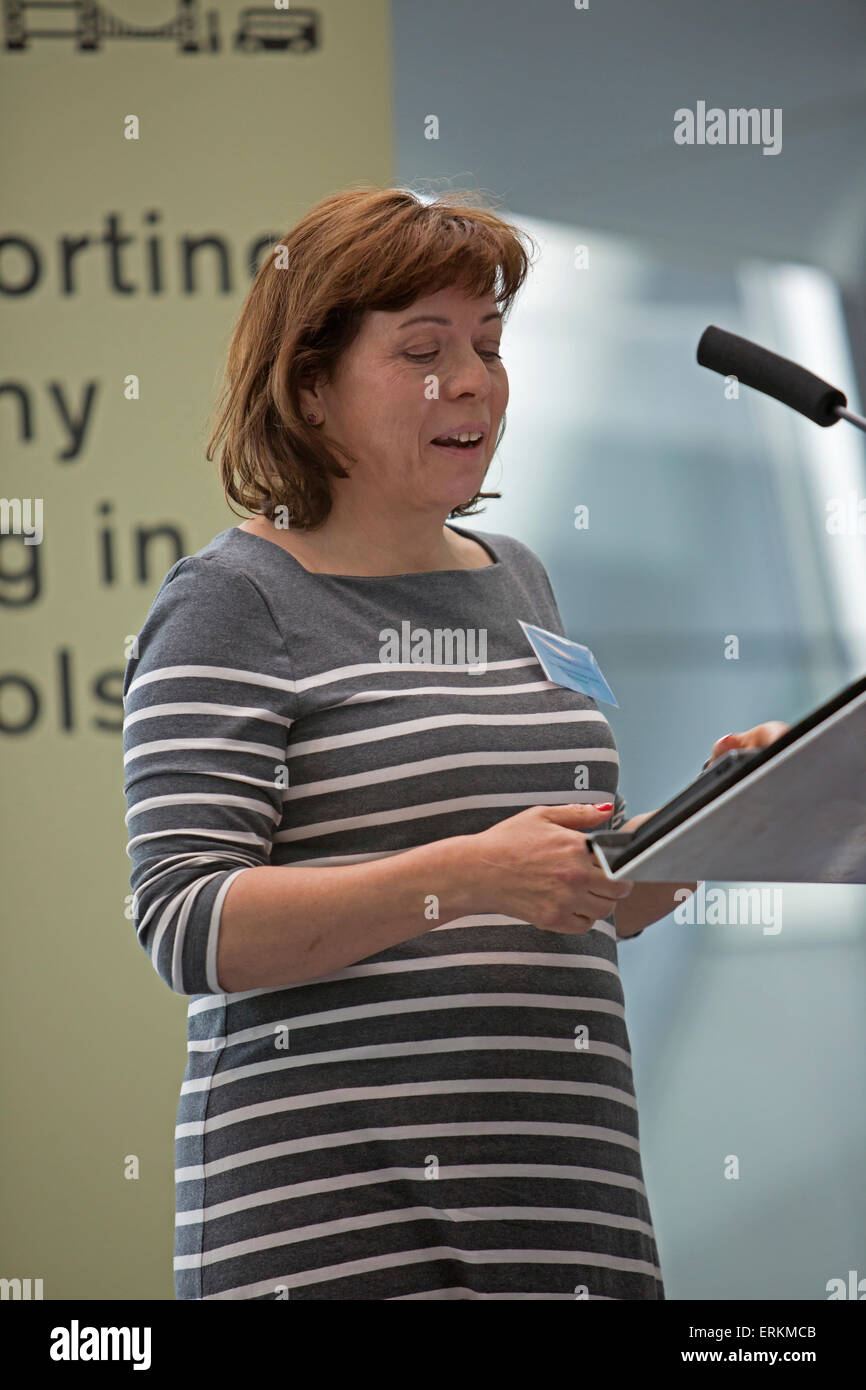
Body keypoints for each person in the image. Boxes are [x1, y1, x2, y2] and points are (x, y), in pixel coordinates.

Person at [122, 185, 787, 1300]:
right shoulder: (235, 599)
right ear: (309, 389)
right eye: (422, 349)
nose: (472, 378)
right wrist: (469, 875)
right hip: (344, 1225)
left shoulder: (514, 574)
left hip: (564, 1211)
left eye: (487, 342)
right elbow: (186, 921)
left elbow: (578, 888)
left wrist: (722, 811)